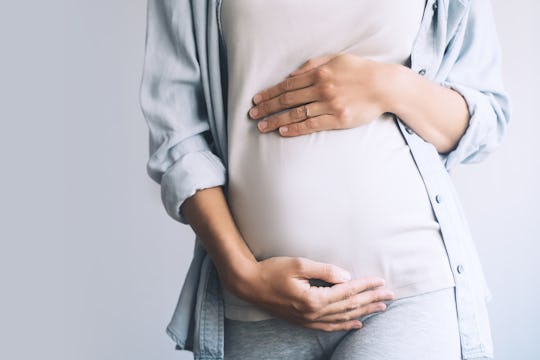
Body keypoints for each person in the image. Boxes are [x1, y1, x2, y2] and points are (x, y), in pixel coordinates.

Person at [138, 0, 511, 359]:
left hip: (407, 291)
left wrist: (388, 85)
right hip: (258, 300)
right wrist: (242, 274)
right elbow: (177, 132)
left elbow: (486, 121)